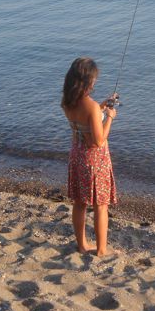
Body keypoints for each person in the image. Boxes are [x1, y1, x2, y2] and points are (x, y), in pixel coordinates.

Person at [61, 57, 117, 256]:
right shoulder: (91, 107)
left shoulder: (67, 102)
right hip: (94, 160)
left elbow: (83, 122)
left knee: (79, 202)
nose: (95, 83)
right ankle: (102, 250)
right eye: (93, 79)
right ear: (86, 81)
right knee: (101, 205)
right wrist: (109, 117)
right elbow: (98, 141)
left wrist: (101, 107)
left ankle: (82, 245)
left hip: (76, 156)